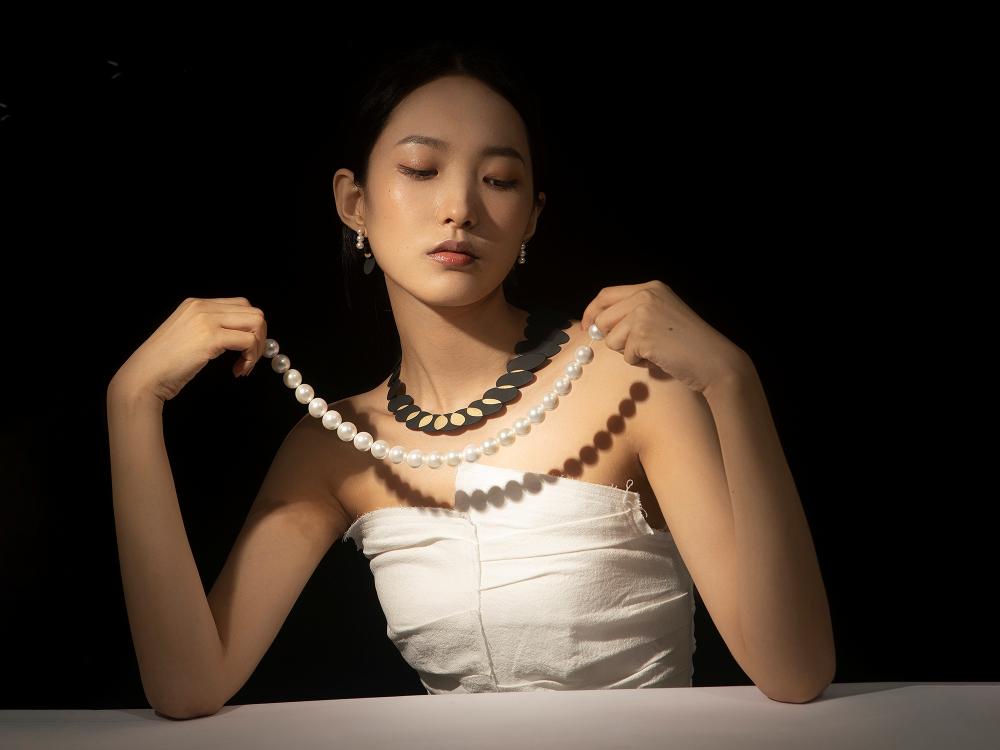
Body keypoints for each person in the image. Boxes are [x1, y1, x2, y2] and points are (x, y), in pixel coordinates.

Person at [107, 41, 705, 720]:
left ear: (532, 216)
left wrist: (732, 379)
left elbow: (795, 668)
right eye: (421, 169)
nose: (460, 207)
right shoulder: (336, 444)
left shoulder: (630, 381)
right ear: (353, 202)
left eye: (500, 180)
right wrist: (131, 402)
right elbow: (188, 684)